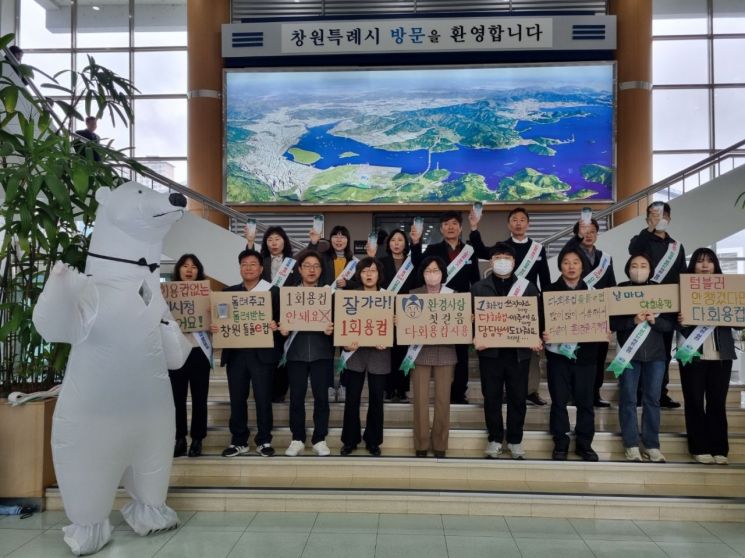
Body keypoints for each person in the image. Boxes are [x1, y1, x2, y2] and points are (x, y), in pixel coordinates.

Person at [470, 207, 551, 407]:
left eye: (522, 219)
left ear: (528, 224)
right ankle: (505, 390)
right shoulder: (502, 247)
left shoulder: (537, 249)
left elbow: (546, 281)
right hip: (500, 305)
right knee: (502, 350)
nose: (518, 223)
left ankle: (530, 390)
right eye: (514, 219)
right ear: (508, 225)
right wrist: (474, 228)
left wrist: (548, 311)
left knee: (527, 353)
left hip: (528, 305)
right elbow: (480, 250)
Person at [472, 242, 542, 460]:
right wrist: (475, 334)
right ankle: (494, 439)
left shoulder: (528, 287)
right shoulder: (478, 287)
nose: (502, 261)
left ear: (514, 261)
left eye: (507, 257)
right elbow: (470, 320)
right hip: (490, 353)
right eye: (498, 257)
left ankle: (515, 440)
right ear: (491, 262)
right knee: (491, 397)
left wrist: (535, 337)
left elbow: (537, 317)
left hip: (518, 353)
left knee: (517, 398)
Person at [212, 249, 280, 458]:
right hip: (237, 354)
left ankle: (264, 440)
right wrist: (217, 326)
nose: (248, 268)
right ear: (239, 268)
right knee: (237, 398)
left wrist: (275, 325)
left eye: (253, 264)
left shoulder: (273, 292)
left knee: (263, 398)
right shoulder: (228, 293)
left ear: (261, 268)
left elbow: (283, 321)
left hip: (262, 354)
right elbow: (221, 319)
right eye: (244, 264)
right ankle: (238, 440)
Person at [610, 253, 676, 463]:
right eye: (634, 265)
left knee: (652, 400)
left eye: (644, 265)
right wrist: (632, 320)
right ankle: (631, 445)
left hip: (656, 356)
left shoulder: (661, 292)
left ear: (651, 268)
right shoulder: (620, 290)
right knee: (628, 399)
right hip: (629, 355)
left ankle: (652, 445)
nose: (639, 269)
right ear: (628, 268)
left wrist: (655, 321)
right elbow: (613, 324)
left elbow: (670, 326)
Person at [411, 211, 480, 404]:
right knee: (436, 349)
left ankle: (459, 392)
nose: (450, 227)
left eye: (454, 223)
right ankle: (437, 389)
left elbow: (475, 280)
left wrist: (473, 307)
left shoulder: (469, 251)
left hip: (460, 307)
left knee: (461, 353)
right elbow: (418, 265)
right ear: (441, 228)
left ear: (460, 227)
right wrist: (416, 243)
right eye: (446, 224)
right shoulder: (433, 248)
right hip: (436, 306)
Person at [677, 248, 736, 465]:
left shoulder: (728, 289)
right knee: (693, 401)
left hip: (721, 353)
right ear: (693, 266)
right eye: (700, 261)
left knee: (717, 402)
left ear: (716, 266)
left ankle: (719, 447)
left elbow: (739, 319)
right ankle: (699, 447)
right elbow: (670, 319)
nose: (704, 265)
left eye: (709, 262)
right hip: (691, 352)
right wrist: (680, 321)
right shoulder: (682, 290)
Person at [542, 247, 601, 462]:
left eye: (575, 262)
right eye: (566, 262)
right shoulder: (548, 292)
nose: (571, 266)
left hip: (586, 357)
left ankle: (584, 444)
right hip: (557, 356)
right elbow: (540, 321)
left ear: (582, 266)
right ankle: (561, 442)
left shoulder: (594, 294)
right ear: (560, 267)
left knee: (585, 402)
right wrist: (543, 332)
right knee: (559, 401)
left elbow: (605, 323)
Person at [629, 202, 686, 408]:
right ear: (647, 219)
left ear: (669, 219)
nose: (658, 218)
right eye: (653, 215)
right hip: (641, 303)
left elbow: (683, 276)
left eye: (662, 215)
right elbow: (633, 251)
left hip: (666, 308)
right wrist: (650, 229)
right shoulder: (642, 240)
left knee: (663, 351)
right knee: (637, 346)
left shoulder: (676, 246)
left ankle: (660, 392)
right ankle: (637, 392)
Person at [279, 249, 335, 457]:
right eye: (307, 266)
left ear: (321, 270)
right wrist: (283, 330)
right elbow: (281, 323)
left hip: (322, 353)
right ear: (299, 269)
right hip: (296, 353)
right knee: (296, 397)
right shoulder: (289, 294)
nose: (312, 270)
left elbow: (339, 324)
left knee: (321, 398)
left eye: (316, 266)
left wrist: (333, 329)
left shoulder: (329, 294)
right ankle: (297, 438)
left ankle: (320, 438)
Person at [562, 218, 616, 407]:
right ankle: (571, 391)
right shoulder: (571, 255)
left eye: (593, 231)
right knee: (573, 354)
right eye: (585, 231)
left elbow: (611, 287)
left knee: (598, 356)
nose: (589, 234)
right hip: (574, 314)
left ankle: (594, 392)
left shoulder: (606, 258)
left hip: (598, 315)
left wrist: (610, 318)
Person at [339, 257, 391, 457]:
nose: (369, 275)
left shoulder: (388, 297)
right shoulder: (350, 296)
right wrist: (344, 343)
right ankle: (349, 440)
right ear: (358, 275)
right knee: (352, 398)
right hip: (355, 353)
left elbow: (396, 326)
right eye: (364, 271)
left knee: (377, 399)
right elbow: (341, 324)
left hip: (380, 353)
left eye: (373, 271)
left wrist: (388, 338)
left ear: (379, 275)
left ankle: (373, 440)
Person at [408, 256, 457, 458]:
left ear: (443, 273)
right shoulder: (412, 294)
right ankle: (420, 444)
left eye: (436, 270)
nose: (432, 274)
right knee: (419, 400)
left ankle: (440, 444)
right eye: (428, 270)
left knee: (443, 401)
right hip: (420, 353)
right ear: (422, 273)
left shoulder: (453, 296)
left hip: (446, 353)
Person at [245, 224, 298, 402]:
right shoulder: (262, 262)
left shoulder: (293, 263)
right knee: (265, 354)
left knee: (284, 353)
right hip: (265, 314)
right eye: (270, 239)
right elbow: (249, 265)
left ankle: (280, 391)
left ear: (284, 241)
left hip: (287, 314)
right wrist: (250, 242)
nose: (274, 243)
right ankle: (263, 389)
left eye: (277, 239)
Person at [168, 254, 211, 458]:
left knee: (199, 398)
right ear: (178, 269)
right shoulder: (167, 294)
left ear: (198, 271)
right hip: (175, 350)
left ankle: (197, 438)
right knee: (177, 398)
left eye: (194, 267)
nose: (189, 270)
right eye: (185, 266)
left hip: (199, 351)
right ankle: (179, 438)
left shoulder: (207, 293)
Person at [367, 229, 416, 402]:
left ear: (405, 243)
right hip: (385, 311)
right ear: (388, 244)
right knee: (388, 350)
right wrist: (371, 256)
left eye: (400, 240)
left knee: (404, 350)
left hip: (407, 311)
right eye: (393, 240)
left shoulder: (412, 263)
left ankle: (402, 389)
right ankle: (389, 388)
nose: (396, 243)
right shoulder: (381, 262)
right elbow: (373, 280)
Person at [309, 224, 354, 403]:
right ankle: (328, 386)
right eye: (335, 236)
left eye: (343, 236)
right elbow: (309, 264)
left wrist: (348, 285)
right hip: (325, 311)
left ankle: (343, 385)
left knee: (346, 351)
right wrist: (313, 243)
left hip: (346, 312)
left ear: (348, 240)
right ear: (330, 239)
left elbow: (359, 284)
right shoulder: (322, 257)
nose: (339, 239)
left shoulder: (354, 261)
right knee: (327, 351)